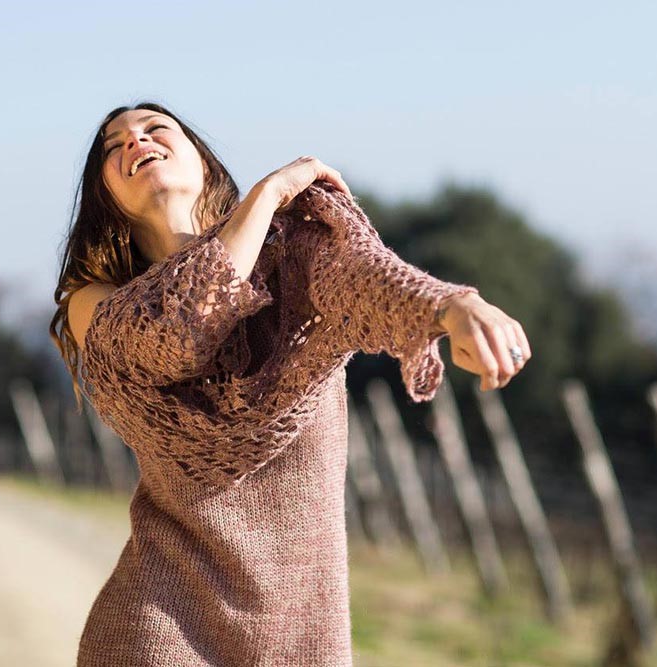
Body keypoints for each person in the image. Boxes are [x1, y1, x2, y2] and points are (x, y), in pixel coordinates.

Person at [50, 101, 531, 666]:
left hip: (304, 636)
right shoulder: (93, 304)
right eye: (114, 146)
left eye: (156, 129)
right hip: (157, 631)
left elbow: (366, 279)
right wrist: (268, 195)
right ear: (107, 196)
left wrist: (451, 306)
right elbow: (177, 334)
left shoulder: (294, 258)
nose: (135, 141)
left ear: (203, 162)